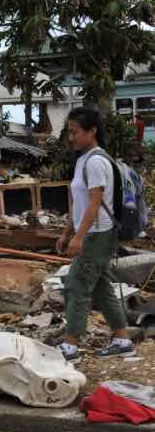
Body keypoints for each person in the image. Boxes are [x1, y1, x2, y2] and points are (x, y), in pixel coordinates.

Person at [55, 107, 134, 362]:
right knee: (100, 288)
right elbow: (77, 203)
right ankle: (122, 339)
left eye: (75, 132)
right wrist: (67, 232)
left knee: (76, 286)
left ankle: (70, 347)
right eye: (69, 132)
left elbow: (94, 203)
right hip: (91, 233)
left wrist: (80, 238)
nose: (71, 137)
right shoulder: (82, 160)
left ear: (92, 131)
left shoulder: (97, 161)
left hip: (98, 235)